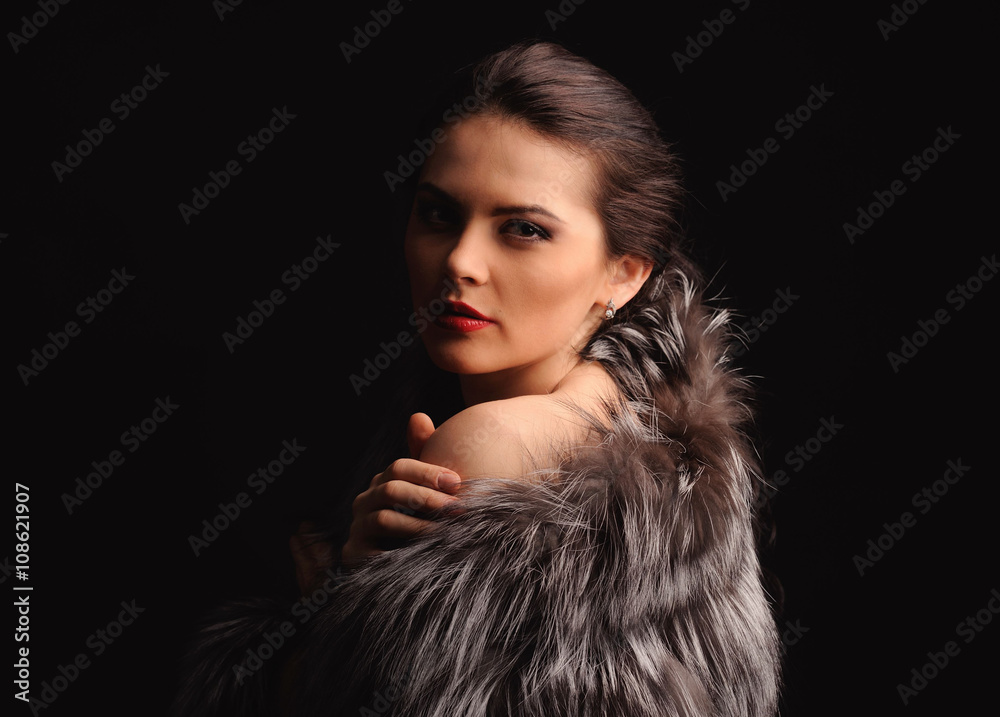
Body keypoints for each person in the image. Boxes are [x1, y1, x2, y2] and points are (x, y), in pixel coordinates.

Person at [172, 39, 781, 717]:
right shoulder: (654, 428)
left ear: (624, 273)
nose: (460, 260)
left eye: (523, 228)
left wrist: (330, 621)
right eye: (439, 214)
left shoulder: (488, 444)